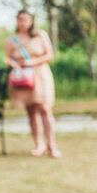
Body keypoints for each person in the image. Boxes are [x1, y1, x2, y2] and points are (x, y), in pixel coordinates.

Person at [5, 10, 60, 158]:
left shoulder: (40, 35)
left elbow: (49, 55)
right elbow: (8, 58)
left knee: (45, 109)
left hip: (40, 75)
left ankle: (52, 145)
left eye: (26, 19)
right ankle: (39, 145)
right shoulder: (12, 40)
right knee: (31, 111)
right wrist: (15, 64)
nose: (23, 22)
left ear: (31, 21)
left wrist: (32, 62)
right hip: (23, 77)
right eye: (20, 19)